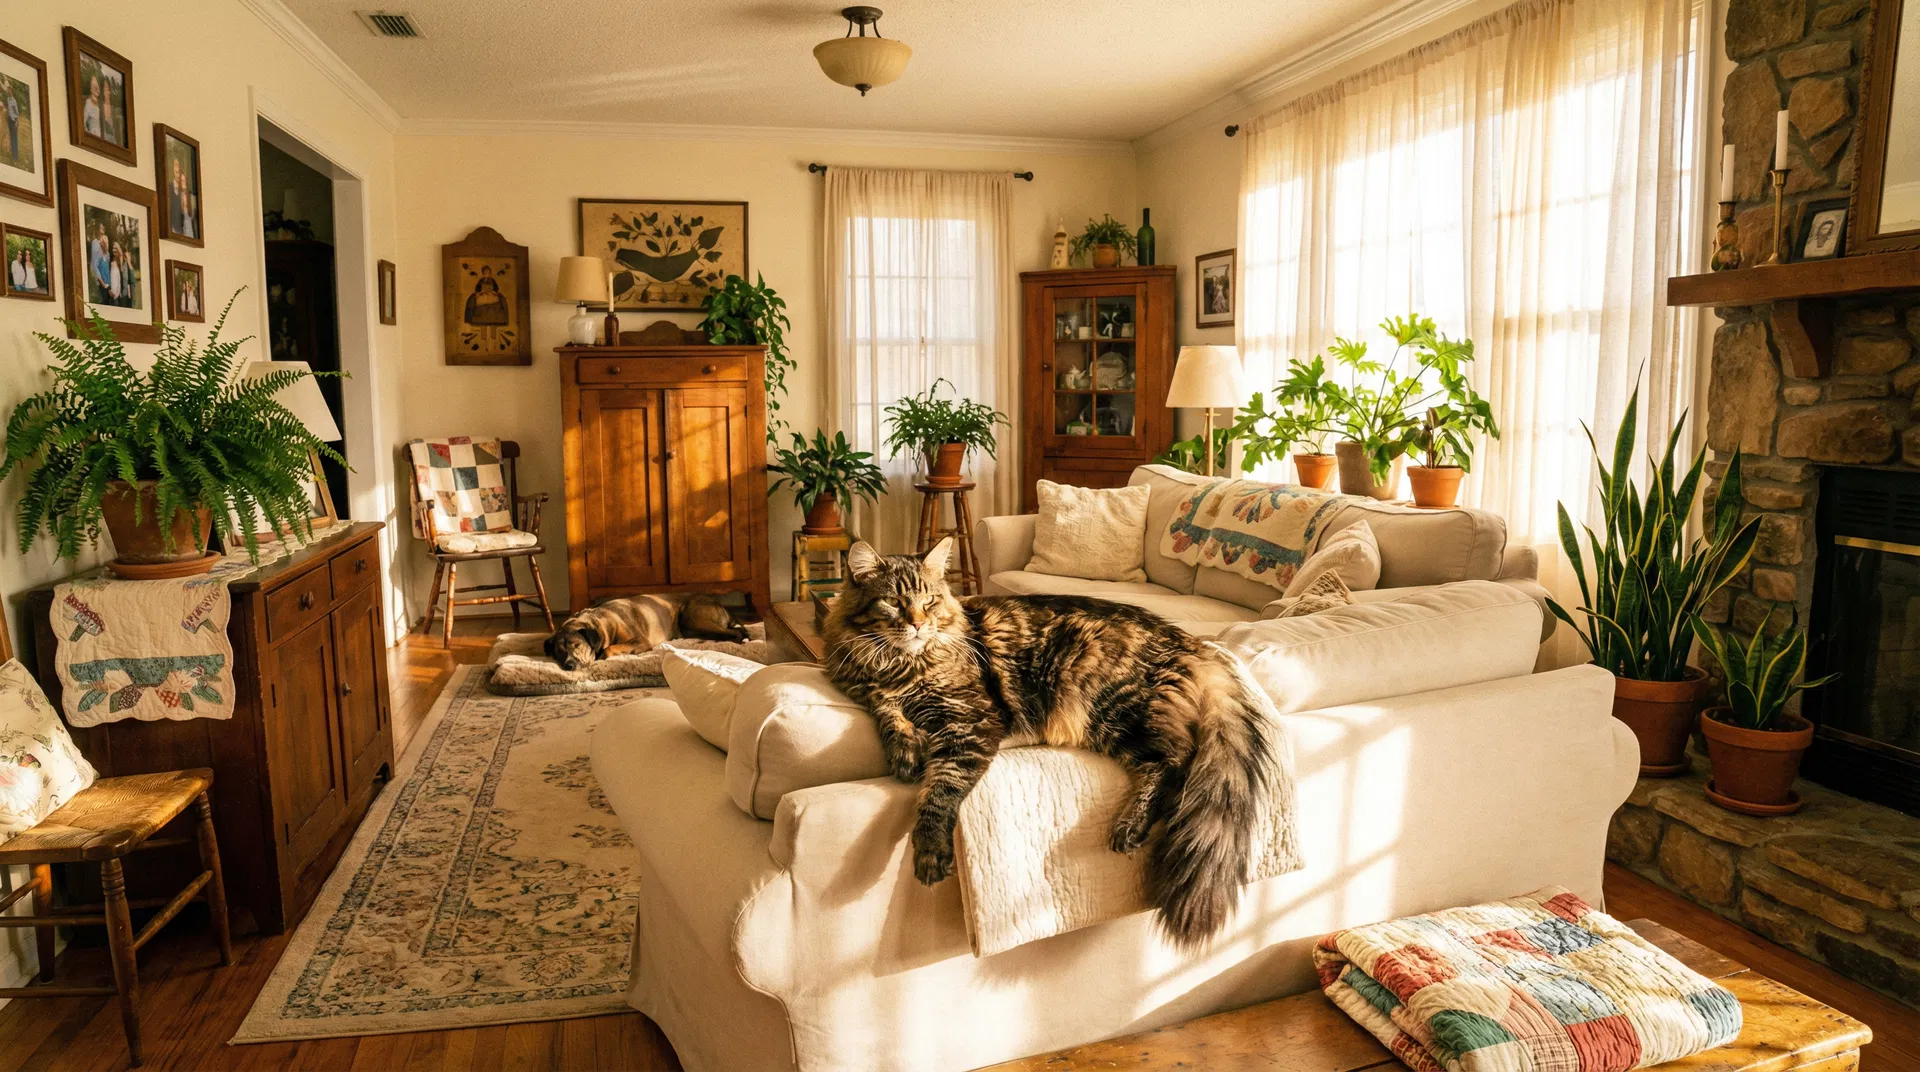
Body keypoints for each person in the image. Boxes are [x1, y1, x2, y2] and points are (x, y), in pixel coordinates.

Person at [2, 75, 19, 166]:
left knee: (14, 139)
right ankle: (13, 155)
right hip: (9, 120)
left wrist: (16, 121)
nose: (9, 91)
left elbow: (16, 112)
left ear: (11, 91)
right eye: (8, 90)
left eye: (10, 90)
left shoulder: (13, 101)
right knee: (11, 138)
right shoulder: (8, 99)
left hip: (14, 121)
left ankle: (15, 157)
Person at [81, 75, 102, 140]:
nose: (96, 89)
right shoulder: (88, 103)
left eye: (97, 87)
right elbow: (83, 123)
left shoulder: (100, 104)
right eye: (93, 87)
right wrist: (90, 135)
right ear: (90, 89)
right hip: (94, 137)